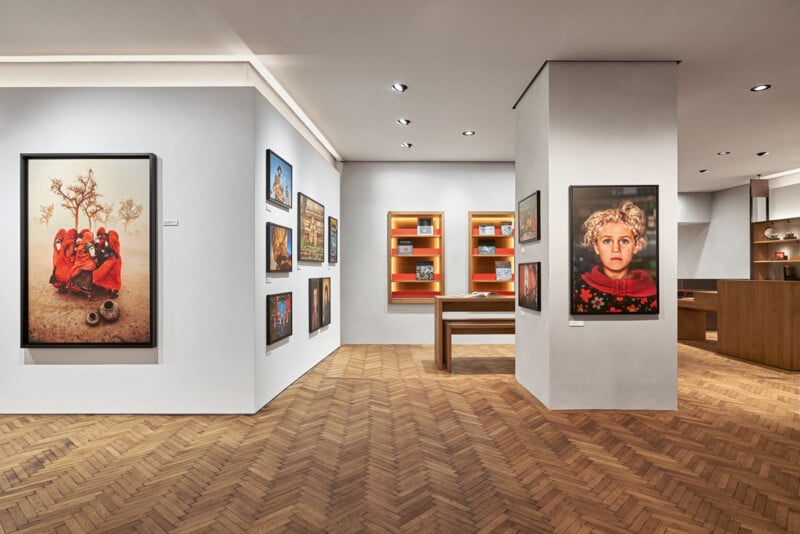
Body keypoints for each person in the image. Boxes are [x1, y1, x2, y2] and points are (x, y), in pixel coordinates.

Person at [572, 200, 657, 313]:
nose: (616, 249)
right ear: (596, 246)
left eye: (624, 241)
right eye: (607, 241)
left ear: (636, 246)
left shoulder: (651, 291)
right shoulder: (578, 289)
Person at [67, 229, 98, 299]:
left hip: (80, 264)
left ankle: (76, 289)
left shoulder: (80, 245)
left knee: (79, 277)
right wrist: (96, 261)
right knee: (88, 279)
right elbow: (93, 255)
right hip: (88, 265)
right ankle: (88, 295)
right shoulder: (90, 245)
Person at [93, 227, 122, 297]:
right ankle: (110, 289)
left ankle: (115, 292)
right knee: (110, 276)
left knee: (115, 277)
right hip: (113, 261)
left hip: (115, 262)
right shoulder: (112, 244)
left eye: (109, 236)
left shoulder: (112, 245)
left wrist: (105, 255)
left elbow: (112, 254)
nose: (109, 237)